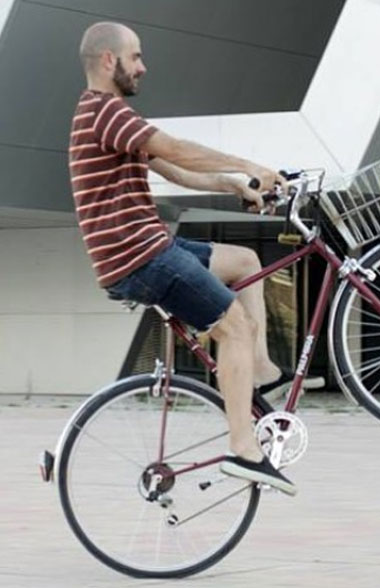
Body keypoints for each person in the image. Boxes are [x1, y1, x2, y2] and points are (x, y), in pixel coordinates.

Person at [69, 22, 298, 495]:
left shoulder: (109, 120)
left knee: (245, 262)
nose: (143, 67)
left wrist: (232, 185)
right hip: (140, 256)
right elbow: (175, 148)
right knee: (231, 325)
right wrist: (249, 165)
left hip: (149, 246)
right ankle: (244, 449)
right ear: (109, 61)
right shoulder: (104, 112)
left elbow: (170, 167)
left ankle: (257, 374)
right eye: (136, 57)